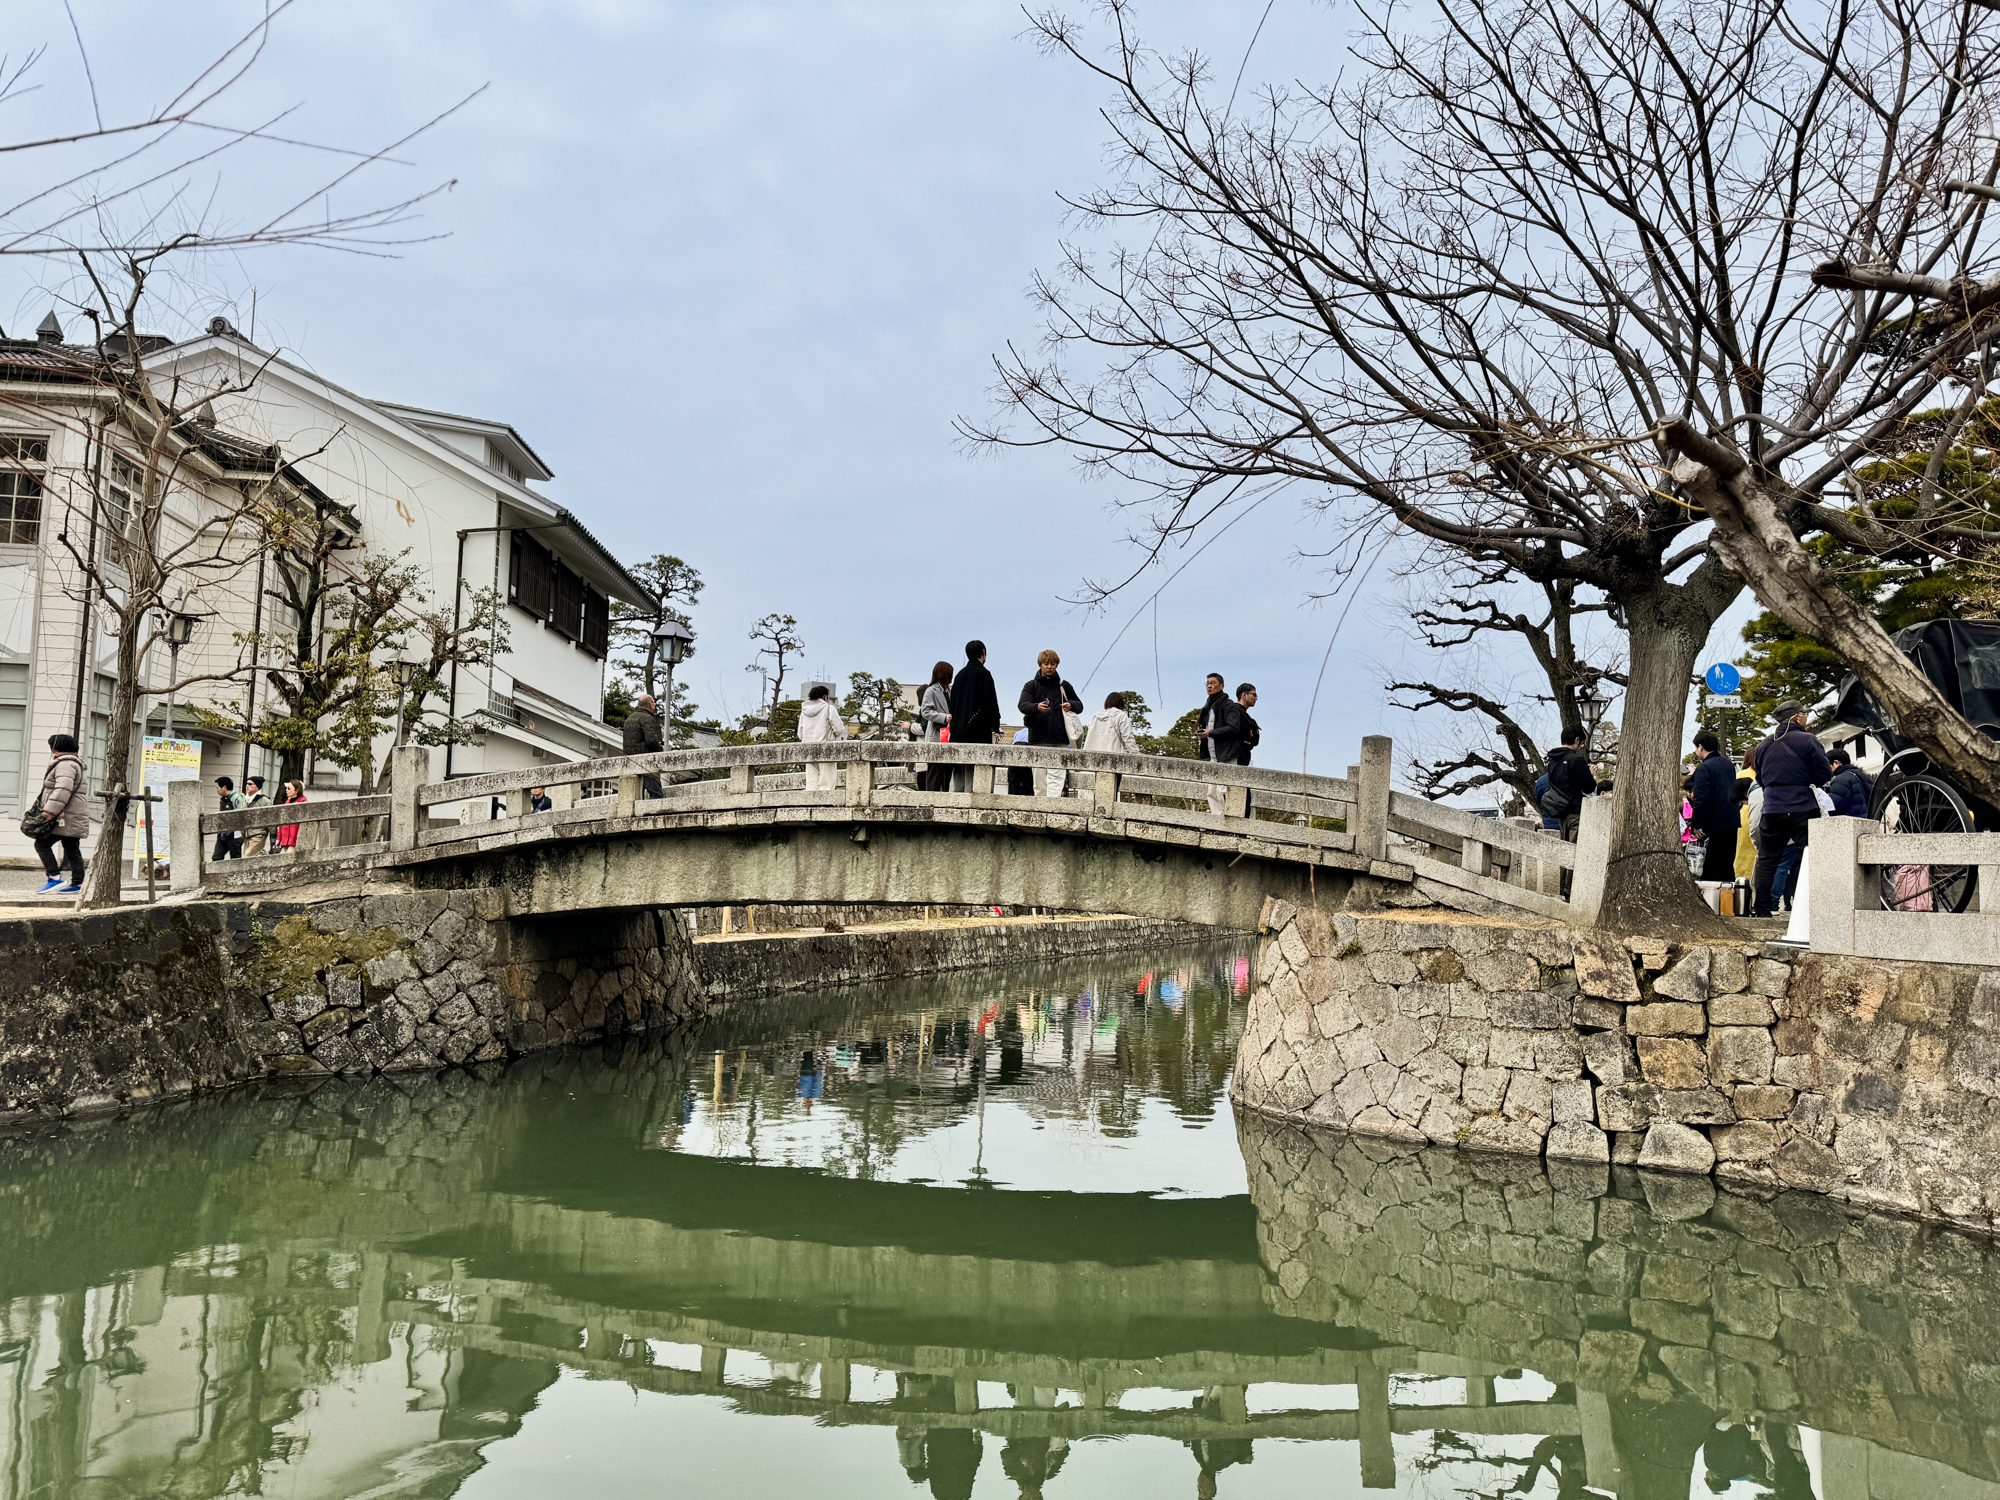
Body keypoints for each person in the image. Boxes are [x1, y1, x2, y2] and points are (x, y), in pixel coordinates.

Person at [1749, 700, 1833, 918]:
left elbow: (1760, 778)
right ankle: (1814, 909)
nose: (1806, 718)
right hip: (1801, 805)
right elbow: (1825, 774)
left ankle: (1762, 909)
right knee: (1810, 856)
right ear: (1796, 717)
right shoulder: (1807, 740)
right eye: (1804, 714)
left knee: (1767, 859)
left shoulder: (1764, 744)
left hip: (1772, 807)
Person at [1018, 649, 1082, 796]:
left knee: (1057, 780)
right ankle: (1041, 810)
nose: (1049, 667)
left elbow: (1080, 705)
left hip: (1059, 739)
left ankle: (1053, 807)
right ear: (1040, 665)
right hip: (1038, 739)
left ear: (1057, 665)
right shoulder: (1031, 686)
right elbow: (1022, 705)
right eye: (1046, 663)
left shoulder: (1064, 686)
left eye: (1052, 664)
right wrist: (1037, 707)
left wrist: (1070, 705)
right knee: (1039, 781)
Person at [31, 734, 89, 894]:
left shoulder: (65, 764)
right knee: (71, 847)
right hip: (72, 814)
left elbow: (63, 789)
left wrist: (50, 811)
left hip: (64, 815)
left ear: (56, 748)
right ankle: (77, 884)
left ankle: (55, 878)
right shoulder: (73, 763)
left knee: (41, 844)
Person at [945, 640, 1001, 793]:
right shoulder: (984, 674)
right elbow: (990, 703)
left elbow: (953, 704)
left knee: (958, 769)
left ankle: (955, 798)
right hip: (977, 729)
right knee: (974, 768)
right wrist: (995, 727)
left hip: (957, 730)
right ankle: (970, 799)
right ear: (983, 653)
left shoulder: (960, 676)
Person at [1686, 731, 1739, 881]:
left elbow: (1702, 798)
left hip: (1713, 823)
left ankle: (1711, 902)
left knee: (1711, 867)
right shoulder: (1728, 765)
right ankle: (1729, 901)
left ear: (1701, 747)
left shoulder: (1705, 768)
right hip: (1731, 820)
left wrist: (1697, 824)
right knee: (1727, 865)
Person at [1196, 672, 1244, 812]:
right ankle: (1217, 822)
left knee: (1224, 791)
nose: (1209, 686)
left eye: (1213, 683)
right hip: (1213, 754)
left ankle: (1227, 824)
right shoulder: (1208, 706)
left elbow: (1234, 729)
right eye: (1208, 683)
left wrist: (1210, 733)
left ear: (1221, 686)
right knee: (1212, 791)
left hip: (1227, 754)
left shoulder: (1228, 705)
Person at [1539, 725, 1597, 839]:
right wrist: (1589, 774)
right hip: (1575, 812)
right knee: (1576, 848)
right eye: (1581, 743)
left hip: (1560, 811)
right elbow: (1589, 787)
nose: (1581, 747)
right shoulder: (1575, 760)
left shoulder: (1553, 760)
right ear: (1577, 740)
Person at [798, 683, 845, 792]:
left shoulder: (804, 711)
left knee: (811, 782)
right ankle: (825, 804)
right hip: (826, 748)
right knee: (827, 782)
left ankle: (811, 804)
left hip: (808, 748)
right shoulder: (829, 709)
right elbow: (838, 729)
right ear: (825, 697)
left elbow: (800, 734)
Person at [918, 660, 953, 792]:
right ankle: (931, 800)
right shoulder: (931, 690)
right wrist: (943, 717)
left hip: (947, 734)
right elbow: (925, 711)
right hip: (936, 733)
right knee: (935, 770)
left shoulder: (948, 691)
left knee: (945, 771)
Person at [622, 692, 666, 799]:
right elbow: (650, 740)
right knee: (655, 791)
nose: (654, 706)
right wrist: (660, 748)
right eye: (654, 703)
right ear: (650, 704)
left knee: (636, 794)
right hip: (645, 759)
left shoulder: (630, 718)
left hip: (630, 759)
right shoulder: (647, 718)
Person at [1826, 746, 1875, 817]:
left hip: (1852, 823)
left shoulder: (1840, 780)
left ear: (1836, 763)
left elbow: (1834, 807)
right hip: (1870, 822)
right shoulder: (1865, 777)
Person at [212, 776, 244, 860]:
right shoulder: (223, 799)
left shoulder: (237, 799)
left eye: (218, 788)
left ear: (224, 787)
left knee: (235, 858)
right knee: (216, 857)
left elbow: (241, 816)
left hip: (234, 834)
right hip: (222, 833)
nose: (217, 791)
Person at [240, 775, 271, 856]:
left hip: (258, 834)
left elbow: (270, 818)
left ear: (257, 786)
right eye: (247, 784)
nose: (247, 786)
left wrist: (273, 836)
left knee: (248, 857)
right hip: (246, 835)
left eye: (250, 784)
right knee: (246, 859)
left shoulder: (265, 801)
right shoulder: (245, 800)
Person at [275, 782, 307, 852]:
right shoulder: (288, 802)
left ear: (297, 790)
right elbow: (282, 822)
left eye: (289, 788)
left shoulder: (303, 803)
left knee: (287, 858)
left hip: (295, 839)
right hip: (285, 839)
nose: (286, 790)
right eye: (286, 788)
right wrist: (279, 838)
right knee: (283, 858)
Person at [1234, 683, 1261, 765]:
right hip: (1235, 757)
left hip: (1243, 757)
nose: (1256, 698)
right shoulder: (1234, 712)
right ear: (1244, 695)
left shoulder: (1246, 717)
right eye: (1254, 695)